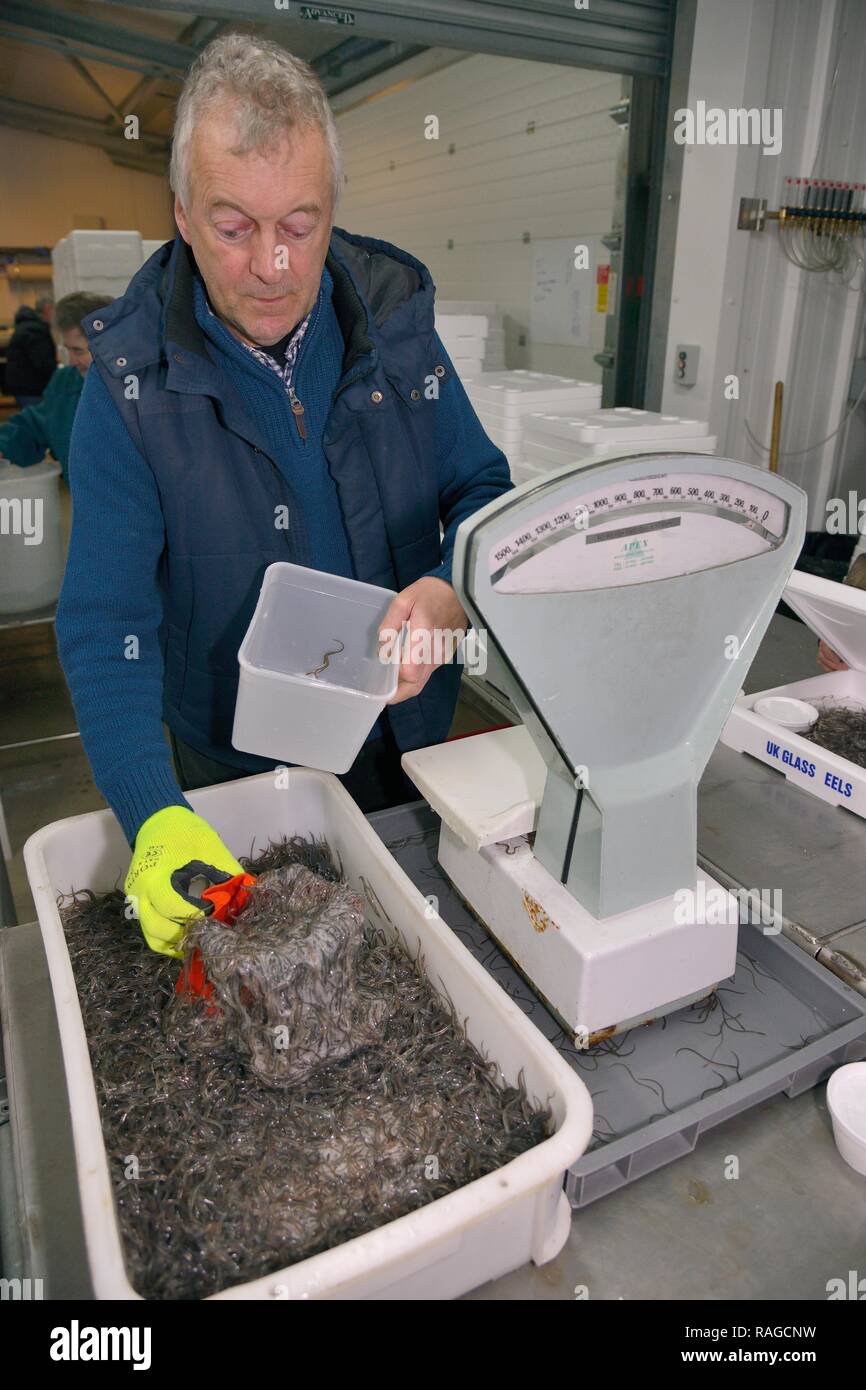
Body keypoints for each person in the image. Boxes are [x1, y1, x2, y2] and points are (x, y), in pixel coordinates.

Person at [56, 32, 511, 958]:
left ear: (333, 208)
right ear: (181, 213)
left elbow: (483, 492)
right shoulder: (130, 385)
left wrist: (452, 588)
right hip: (237, 774)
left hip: (409, 751)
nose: (272, 266)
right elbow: (107, 623)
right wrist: (155, 817)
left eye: (300, 226)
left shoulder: (396, 328)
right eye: (234, 228)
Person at [0, 294, 112, 480]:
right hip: (83, 502)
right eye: (67, 350)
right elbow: (34, 426)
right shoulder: (65, 382)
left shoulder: (139, 386)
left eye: (78, 351)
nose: (72, 361)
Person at [5, 295, 56, 406]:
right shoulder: (35, 330)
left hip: (23, 385)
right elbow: (42, 361)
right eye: (54, 310)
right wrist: (58, 376)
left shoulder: (28, 326)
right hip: (31, 387)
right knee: (37, 420)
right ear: (47, 309)